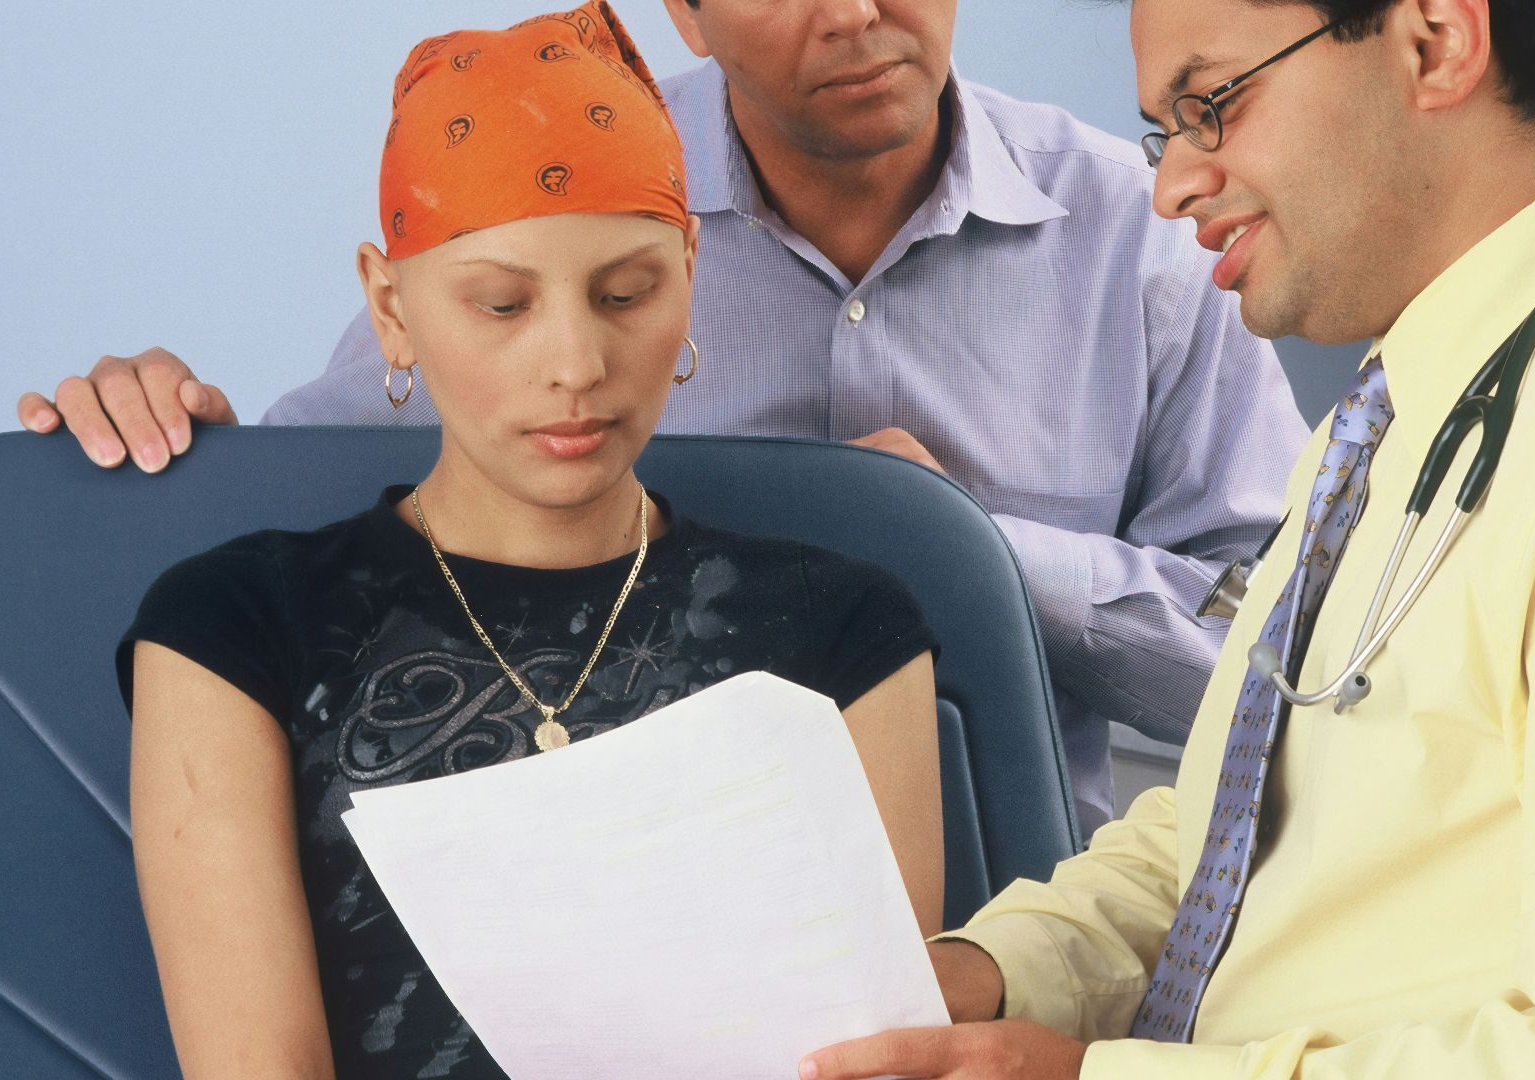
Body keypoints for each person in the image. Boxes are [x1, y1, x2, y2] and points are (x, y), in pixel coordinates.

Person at [798, 1, 1535, 1077]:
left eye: (1210, 104)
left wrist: (1090, 1079)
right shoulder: (1401, 404)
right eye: (1165, 131)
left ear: (1436, 44)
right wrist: (995, 972)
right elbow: (1241, 819)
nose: (1171, 187)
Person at [19, 0, 1312, 836]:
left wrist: (960, 547)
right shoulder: (571, 189)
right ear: (684, 12)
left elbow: (1290, 671)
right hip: (587, 868)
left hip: (1021, 910)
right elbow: (316, 497)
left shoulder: (1148, 235)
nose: (858, 13)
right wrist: (180, 441)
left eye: (628, 297)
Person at [120, 9, 941, 1076]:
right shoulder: (234, 627)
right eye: (503, 305)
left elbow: (877, 1054)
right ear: (391, 308)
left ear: (689, 272)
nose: (577, 364)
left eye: (627, 294)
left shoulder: (844, 627)